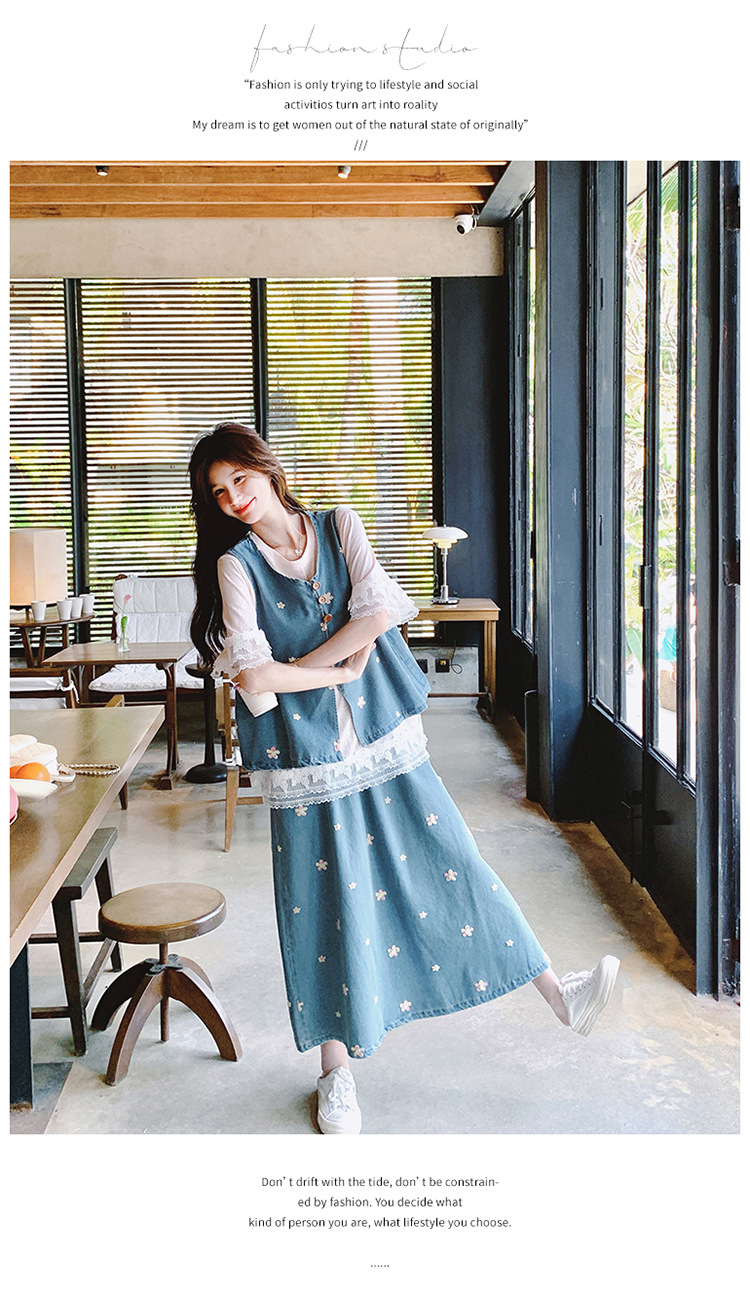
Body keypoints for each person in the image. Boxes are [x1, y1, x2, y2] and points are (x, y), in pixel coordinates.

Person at [189, 421, 620, 1135]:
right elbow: (255, 678)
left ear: (267, 468)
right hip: (306, 762)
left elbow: (380, 611)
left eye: (240, 477)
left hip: (385, 738)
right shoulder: (236, 566)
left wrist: (307, 668)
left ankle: (559, 995)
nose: (234, 497)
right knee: (322, 905)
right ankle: (335, 1074)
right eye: (218, 491)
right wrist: (336, 672)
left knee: (455, 859)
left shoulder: (340, 525)